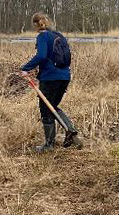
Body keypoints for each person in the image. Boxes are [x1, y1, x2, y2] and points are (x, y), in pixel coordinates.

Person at [19, 12, 82, 152]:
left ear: (36, 24)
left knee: (45, 108)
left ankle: (49, 145)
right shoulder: (59, 35)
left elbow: (41, 55)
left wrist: (26, 68)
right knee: (52, 106)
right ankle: (71, 131)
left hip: (50, 77)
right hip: (64, 76)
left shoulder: (42, 36)